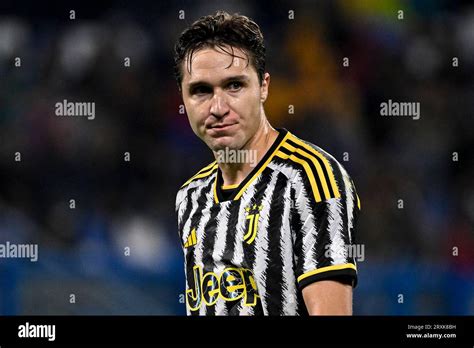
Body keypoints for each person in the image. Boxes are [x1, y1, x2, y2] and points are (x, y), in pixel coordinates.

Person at [173, 10, 360, 315]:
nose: (218, 107)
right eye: (201, 90)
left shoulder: (310, 178)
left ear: (264, 87)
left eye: (234, 86)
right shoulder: (190, 197)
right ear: (183, 98)